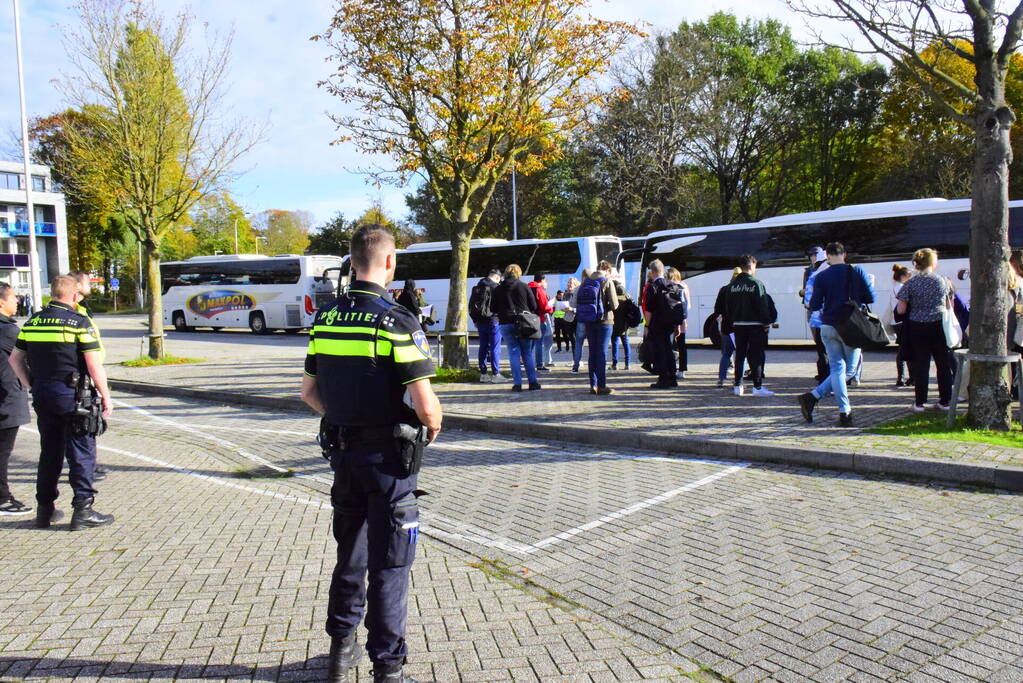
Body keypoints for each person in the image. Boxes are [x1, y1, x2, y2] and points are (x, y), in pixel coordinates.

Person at [300, 225, 442, 683]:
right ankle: (389, 666)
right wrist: (430, 427)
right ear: (390, 263)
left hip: (342, 455)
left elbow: (308, 392)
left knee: (351, 553)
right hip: (388, 461)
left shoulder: (325, 318)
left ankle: (341, 653)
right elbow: (426, 406)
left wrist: (345, 421)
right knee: (391, 563)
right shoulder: (396, 320)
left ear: (352, 260)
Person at [9, 275, 113, 530]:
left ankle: (45, 511)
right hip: (74, 395)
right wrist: (106, 395)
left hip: (44, 394)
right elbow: (92, 363)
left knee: (50, 453)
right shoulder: (79, 322)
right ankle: (83, 511)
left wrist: (29, 384)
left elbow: (14, 359)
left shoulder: (33, 321)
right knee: (81, 452)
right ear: (74, 296)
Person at [798, 243, 876, 426]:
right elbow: (871, 297)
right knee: (849, 370)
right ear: (845, 254)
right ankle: (837, 409)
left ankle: (821, 400)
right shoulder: (857, 271)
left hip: (828, 326)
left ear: (828, 256)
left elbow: (815, 304)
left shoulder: (822, 276)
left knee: (837, 369)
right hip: (851, 326)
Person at [896, 248, 954, 412]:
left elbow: (901, 309)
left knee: (921, 364)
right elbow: (950, 306)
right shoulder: (943, 280)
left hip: (917, 326)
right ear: (933, 262)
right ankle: (945, 401)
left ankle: (920, 403)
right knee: (943, 364)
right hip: (939, 325)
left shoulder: (910, 283)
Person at [71, 270, 107, 482]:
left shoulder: (84, 310)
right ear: (76, 287)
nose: (90, 286)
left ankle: (87, 466)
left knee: (86, 426)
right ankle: (84, 472)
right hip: (81, 376)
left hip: (86, 373)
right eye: (86, 282)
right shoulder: (76, 314)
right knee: (84, 425)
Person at [724, 255, 775, 397]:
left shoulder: (732, 285)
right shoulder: (756, 283)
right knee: (755, 356)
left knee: (740, 355)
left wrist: (731, 322)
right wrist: (766, 323)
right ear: (751, 266)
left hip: (738, 325)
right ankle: (757, 387)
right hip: (755, 325)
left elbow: (727, 307)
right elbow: (762, 305)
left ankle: (738, 385)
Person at [0, 285, 31, 515]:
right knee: (3, 450)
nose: (17, 301)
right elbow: (29, 355)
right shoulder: (6, 331)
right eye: (13, 297)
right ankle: (2, 498)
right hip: (5, 398)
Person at [492, 264, 541, 391]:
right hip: (523, 323)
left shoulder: (498, 289)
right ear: (519, 273)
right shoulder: (524, 286)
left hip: (505, 323)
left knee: (513, 353)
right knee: (527, 353)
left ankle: (517, 384)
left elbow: (492, 308)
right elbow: (534, 305)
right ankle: (533, 383)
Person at [577, 261, 619, 395]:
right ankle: (602, 385)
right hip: (605, 321)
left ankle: (593, 385)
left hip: (589, 321)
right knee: (601, 353)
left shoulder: (586, 282)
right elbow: (614, 305)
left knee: (592, 352)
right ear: (607, 270)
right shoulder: (607, 281)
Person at [644, 260, 678, 389]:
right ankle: (672, 378)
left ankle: (663, 379)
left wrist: (647, 326)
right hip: (669, 323)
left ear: (652, 272)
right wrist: (677, 325)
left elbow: (649, 310)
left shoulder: (653, 286)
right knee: (668, 350)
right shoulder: (671, 284)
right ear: (662, 271)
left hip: (657, 324)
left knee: (660, 351)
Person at [469, 269, 505, 384]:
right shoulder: (497, 287)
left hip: (480, 321)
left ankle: (483, 374)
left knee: (483, 346)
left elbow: (471, 306)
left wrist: (475, 320)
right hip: (494, 320)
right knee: (495, 347)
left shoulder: (477, 287)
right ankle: (496, 374)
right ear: (498, 277)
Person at [800, 247, 830, 382]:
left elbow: (809, 301)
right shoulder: (839, 271)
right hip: (835, 315)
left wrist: (806, 294)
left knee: (822, 347)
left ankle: (825, 377)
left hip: (818, 317)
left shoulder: (814, 275)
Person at [713, 268, 741, 388]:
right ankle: (737, 379)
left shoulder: (724, 289)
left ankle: (721, 379)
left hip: (726, 327)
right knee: (740, 355)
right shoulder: (741, 290)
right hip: (739, 327)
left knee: (726, 354)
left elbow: (717, 309)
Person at [888, 264, 913, 387]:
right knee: (905, 350)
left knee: (905, 349)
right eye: (909, 276)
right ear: (904, 276)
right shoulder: (901, 287)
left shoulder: (896, 286)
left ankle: (906, 377)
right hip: (901, 322)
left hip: (897, 321)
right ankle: (903, 377)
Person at [666, 268, 691, 380]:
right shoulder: (684, 286)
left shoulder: (667, 287)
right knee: (682, 346)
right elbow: (688, 305)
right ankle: (682, 370)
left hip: (670, 320)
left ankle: (671, 369)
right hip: (681, 320)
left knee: (669, 345)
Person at [528, 274, 555, 371]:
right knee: (539, 343)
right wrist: (551, 309)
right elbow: (545, 306)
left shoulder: (527, 287)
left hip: (527, 319)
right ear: (542, 280)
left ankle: (527, 364)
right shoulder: (539, 290)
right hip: (539, 319)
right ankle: (539, 365)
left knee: (529, 343)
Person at [609, 271, 631, 371]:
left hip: (614, 324)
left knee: (615, 344)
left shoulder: (612, 299)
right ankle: (627, 364)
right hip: (625, 325)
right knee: (626, 343)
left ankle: (615, 364)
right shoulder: (627, 298)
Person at [569, 272, 589, 373]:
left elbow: (572, 304)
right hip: (592, 319)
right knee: (593, 344)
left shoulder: (578, 289)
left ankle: (576, 366)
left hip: (581, 319)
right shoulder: (596, 286)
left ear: (583, 277)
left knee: (578, 343)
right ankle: (593, 365)